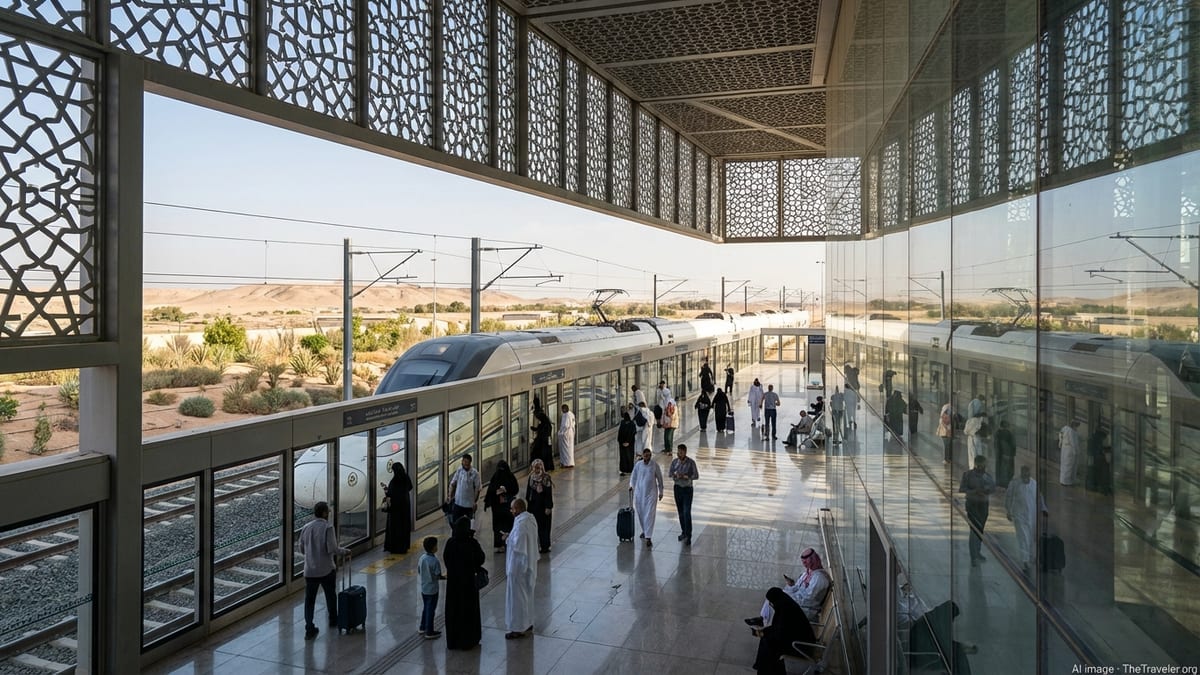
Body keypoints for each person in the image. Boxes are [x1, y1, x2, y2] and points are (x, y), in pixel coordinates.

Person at [299, 501, 351, 640]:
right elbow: (332, 549)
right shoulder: (328, 527)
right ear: (323, 513)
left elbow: (302, 549)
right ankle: (333, 620)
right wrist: (345, 551)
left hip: (310, 571)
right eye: (327, 511)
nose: (328, 513)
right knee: (330, 595)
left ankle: (309, 627)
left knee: (309, 600)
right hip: (326, 569)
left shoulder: (306, 527)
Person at [746, 547, 831, 627]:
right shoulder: (807, 573)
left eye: (806, 562)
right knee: (773, 595)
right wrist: (789, 587)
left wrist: (789, 597)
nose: (804, 564)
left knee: (776, 600)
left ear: (812, 560)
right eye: (803, 562)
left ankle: (766, 623)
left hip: (806, 609)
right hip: (798, 602)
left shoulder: (819, 578)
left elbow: (808, 599)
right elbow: (797, 587)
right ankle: (762, 618)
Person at [751, 588, 818, 675]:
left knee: (769, 645)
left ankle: (765, 670)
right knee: (766, 639)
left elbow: (782, 634)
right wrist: (764, 631)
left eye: (771, 602)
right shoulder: (786, 605)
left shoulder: (786, 611)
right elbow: (780, 628)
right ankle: (761, 666)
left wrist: (764, 634)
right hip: (797, 639)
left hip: (801, 646)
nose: (771, 605)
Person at [442, 517, 485, 649]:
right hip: (468, 583)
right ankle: (468, 640)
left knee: (453, 610)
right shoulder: (471, 543)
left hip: (454, 583)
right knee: (468, 610)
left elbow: (446, 558)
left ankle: (453, 641)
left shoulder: (451, 543)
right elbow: (481, 559)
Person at [908, 601, 976, 675]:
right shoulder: (933, 623)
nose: (952, 622)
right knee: (958, 655)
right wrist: (960, 646)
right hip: (925, 659)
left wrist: (961, 646)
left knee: (958, 653)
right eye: (953, 619)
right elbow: (943, 644)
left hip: (930, 656)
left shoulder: (934, 619)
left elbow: (943, 642)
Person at [504, 498, 539, 639]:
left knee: (517, 598)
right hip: (529, 565)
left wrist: (508, 539)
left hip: (518, 567)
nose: (511, 511)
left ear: (518, 509)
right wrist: (510, 536)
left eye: (512, 508)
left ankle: (518, 627)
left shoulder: (521, 525)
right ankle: (528, 622)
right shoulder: (530, 519)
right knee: (527, 595)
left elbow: (518, 546)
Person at [1005, 464, 1048, 573]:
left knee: (1030, 537)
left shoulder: (1034, 484)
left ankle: (1029, 556)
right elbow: (1008, 497)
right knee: (1023, 537)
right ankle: (1025, 561)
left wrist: (1044, 509)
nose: (1025, 475)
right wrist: (1008, 511)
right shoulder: (1014, 483)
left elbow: (1040, 497)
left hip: (1031, 515)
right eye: (1023, 472)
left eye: (1027, 472)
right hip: (1019, 515)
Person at [958, 455, 996, 566]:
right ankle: (973, 555)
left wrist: (986, 491)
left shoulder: (987, 476)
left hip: (983, 505)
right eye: (979, 465)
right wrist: (974, 491)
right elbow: (962, 489)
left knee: (980, 530)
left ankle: (978, 552)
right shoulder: (968, 475)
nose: (981, 467)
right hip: (972, 505)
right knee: (974, 530)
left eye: (983, 465)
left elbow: (993, 488)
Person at [629, 448, 664, 547]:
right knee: (641, 513)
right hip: (639, 494)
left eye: (649, 455)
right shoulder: (638, 465)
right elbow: (633, 476)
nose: (647, 458)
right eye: (646, 456)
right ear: (643, 456)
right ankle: (645, 531)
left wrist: (661, 491)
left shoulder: (654, 465)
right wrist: (631, 485)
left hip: (651, 494)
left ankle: (648, 537)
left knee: (649, 515)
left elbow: (660, 479)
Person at [483, 460, 519, 553]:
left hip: (507, 506)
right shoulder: (496, 477)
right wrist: (496, 491)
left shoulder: (510, 477)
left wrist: (506, 490)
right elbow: (490, 490)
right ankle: (499, 544)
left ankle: (508, 542)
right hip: (497, 507)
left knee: (508, 524)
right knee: (498, 526)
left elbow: (515, 489)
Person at [669, 443, 700, 546]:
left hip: (687, 489)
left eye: (681, 452)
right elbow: (670, 474)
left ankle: (689, 535)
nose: (679, 454)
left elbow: (696, 475)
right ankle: (683, 531)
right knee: (681, 512)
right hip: (677, 488)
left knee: (687, 512)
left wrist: (687, 476)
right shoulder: (674, 462)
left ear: (685, 452)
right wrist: (675, 475)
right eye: (678, 452)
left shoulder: (691, 463)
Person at [417, 536, 445, 640]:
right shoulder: (434, 561)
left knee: (426, 608)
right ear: (434, 548)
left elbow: (419, 571)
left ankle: (422, 627)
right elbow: (438, 575)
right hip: (433, 589)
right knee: (431, 610)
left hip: (424, 588)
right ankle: (429, 631)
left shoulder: (422, 558)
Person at [381, 461, 413, 554]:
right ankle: (404, 546)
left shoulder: (394, 481)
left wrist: (385, 489)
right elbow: (410, 487)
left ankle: (395, 547)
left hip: (395, 509)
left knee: (395, 528)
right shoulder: (406, 478)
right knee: (404, 527)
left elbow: (390, 494)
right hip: (405, 506)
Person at [525, 459, 555, 553]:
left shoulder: (545, 478)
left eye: (538, 467)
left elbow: (548, 494)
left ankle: (545, 545)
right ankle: (535, 545)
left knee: (544, 527)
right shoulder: (531, 477)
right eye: (535, 467)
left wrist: (548, 506)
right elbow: (528, 492)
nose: (537, 469)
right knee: (534, 526)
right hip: (533, 506)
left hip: (543, 507)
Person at [448, 454, 481, 527]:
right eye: (464, 461)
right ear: (462, 461)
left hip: (469, 505)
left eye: (467, 462)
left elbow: (477, 489)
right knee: (455, 523)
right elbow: (453, 483)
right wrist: (450, 496)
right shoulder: (459, 470)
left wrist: (475, 502)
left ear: (470, 462)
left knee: (468, 525)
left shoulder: (475, 473)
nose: (465, 463)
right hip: (458, 503)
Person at [1087, 427, 1113, 495]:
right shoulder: (1101, 439)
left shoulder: (1092, 438)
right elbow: (1104, 449)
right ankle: (1104, 489)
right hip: (1100, 459)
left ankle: (1095, 486)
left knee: (1095, 473)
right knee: (1103, 474)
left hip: (1095, 458)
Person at [531, 399, 554, 471]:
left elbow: (542, 431)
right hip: (546, 442)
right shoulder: (545, 423)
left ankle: (545, 466)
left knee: (542, 454)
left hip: (544, 442)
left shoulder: (545, 425)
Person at [1058, 420, 1081, 486]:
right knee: (1069, 466)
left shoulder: (1064, 428)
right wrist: (1075, 451)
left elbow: (1060, 435)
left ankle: (1062, 480)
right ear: (1074, 425)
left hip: (1064, 449)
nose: (1077, 428)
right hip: (1070, 450)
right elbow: (1073, 442)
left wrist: (1060, 443)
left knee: (1064, 465)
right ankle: (1067, 482)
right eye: (1076, 426)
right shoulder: (1071, 431)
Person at [994, 419, 1016, 488]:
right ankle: (1006, 485)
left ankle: (1000, 484)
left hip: (1001, 455)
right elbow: (1013, 446)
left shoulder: (998, 433)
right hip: (1008, 456)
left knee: (1001, 470)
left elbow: (996, 445)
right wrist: (1011, 455)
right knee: (1008, 471)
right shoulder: (1009, 434)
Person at [617, 411, 637, 475]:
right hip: (629, 444)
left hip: (623, 444)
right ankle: (629, 469)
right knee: (629, 456)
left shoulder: (622, 423)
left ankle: (623, 469)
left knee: (623, 457)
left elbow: (620, 434)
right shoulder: (632, 424)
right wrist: (628, 442)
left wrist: (622, 442)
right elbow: (633, 433)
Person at [558, 403, 576, 469]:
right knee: (570, 448)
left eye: (562, 409)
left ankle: (565, 463)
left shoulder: (566, 415)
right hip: (571, 432)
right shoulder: (571, 414)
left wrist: (561, 432)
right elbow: (573, 423)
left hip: (566, 433)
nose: (562, 410)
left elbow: (565, 425)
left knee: (565, 448)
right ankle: (571, 462)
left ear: (564, 409)